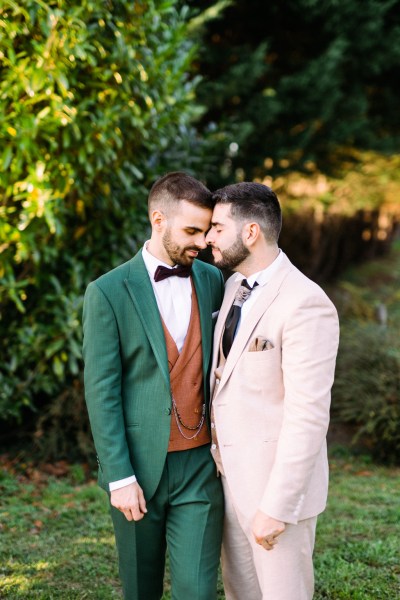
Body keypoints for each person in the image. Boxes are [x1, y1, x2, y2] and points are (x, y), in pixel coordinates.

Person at [82, 172, 224, 600]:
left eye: (205, 230)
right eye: (192, 230)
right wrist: (120, 477)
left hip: (200, 466)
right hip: (139, 470)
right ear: (158, 220)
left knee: (196, 591)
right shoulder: (107, 292)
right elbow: (101, 391)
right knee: (141, 589)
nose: (201, 242)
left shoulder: (212, 281)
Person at [205, 182, 339, 600]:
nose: (209, 237)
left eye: (217, 227)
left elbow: (309, 416)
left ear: (250, 233)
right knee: (240, 593)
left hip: (276, 494)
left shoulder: (305, 303)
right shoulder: (232, 287)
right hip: (229, 482)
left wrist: (276, 507)